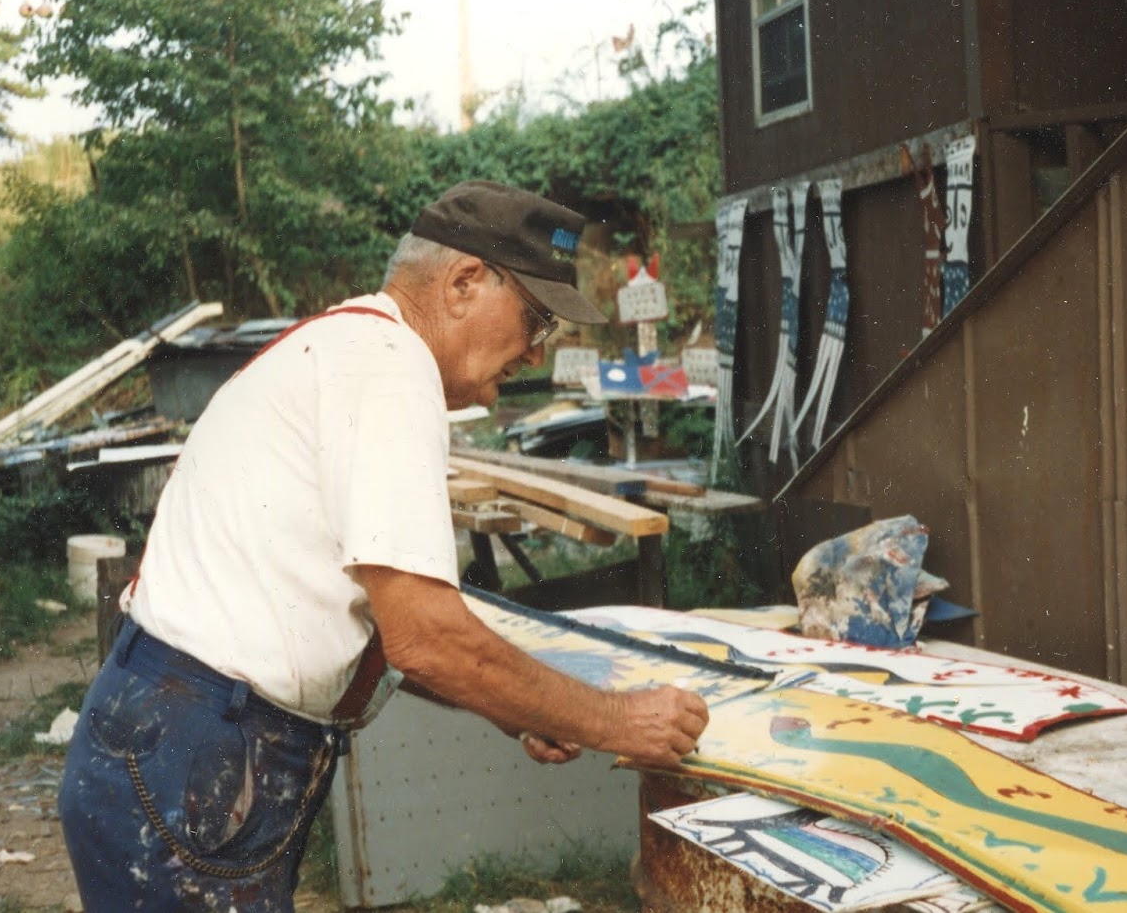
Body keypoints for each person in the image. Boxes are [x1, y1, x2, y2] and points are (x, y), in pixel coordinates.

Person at [58, 180, 710, 911]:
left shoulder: (352, 346)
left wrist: (520, 704)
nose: (533, 353)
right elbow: (428, 638)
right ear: (464, 282)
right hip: (198, 741)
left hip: (179, 731)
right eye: (535, 321)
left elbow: (386, 630)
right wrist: (622, 720)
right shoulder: (390, 366)